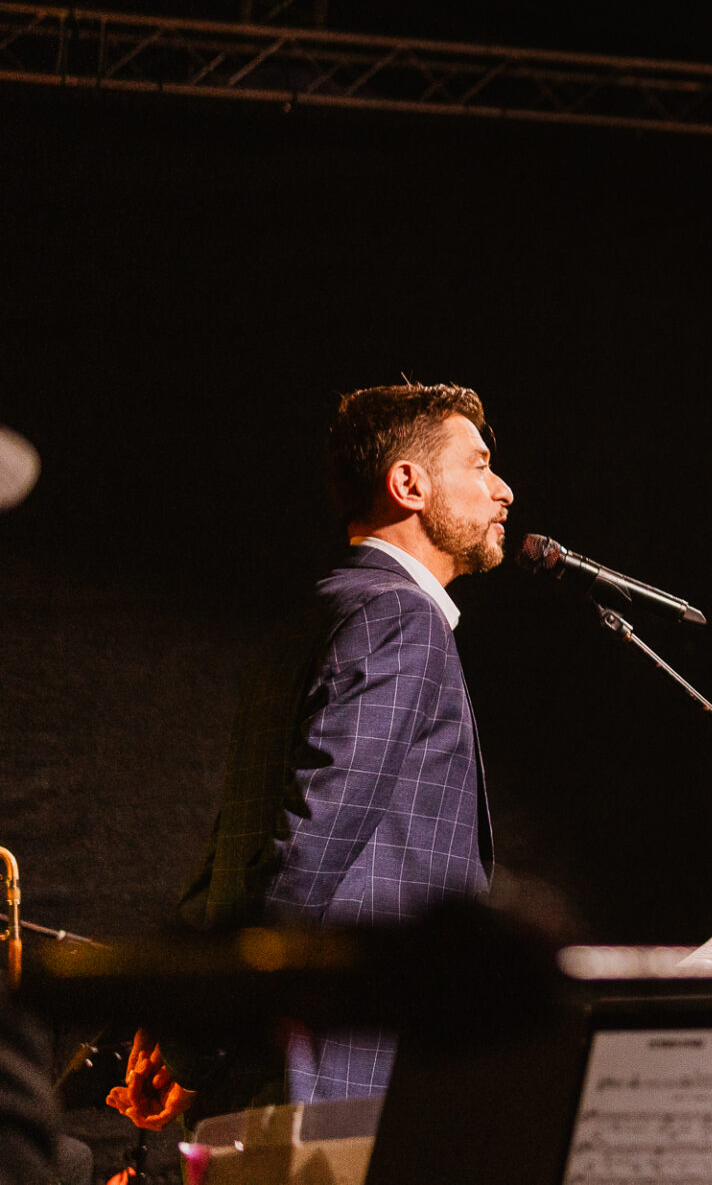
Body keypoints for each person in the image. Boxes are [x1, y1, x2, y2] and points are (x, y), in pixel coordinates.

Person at [181, 384, 513, 1103]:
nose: (503, 490)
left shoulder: (315, 615)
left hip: (279, 1043)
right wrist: (220, 1022)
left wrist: (187, 1015)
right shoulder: (400, 615)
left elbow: (235, 840)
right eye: (480, 465)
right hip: (341, 1054)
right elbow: (313, 834)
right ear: (409, 485)